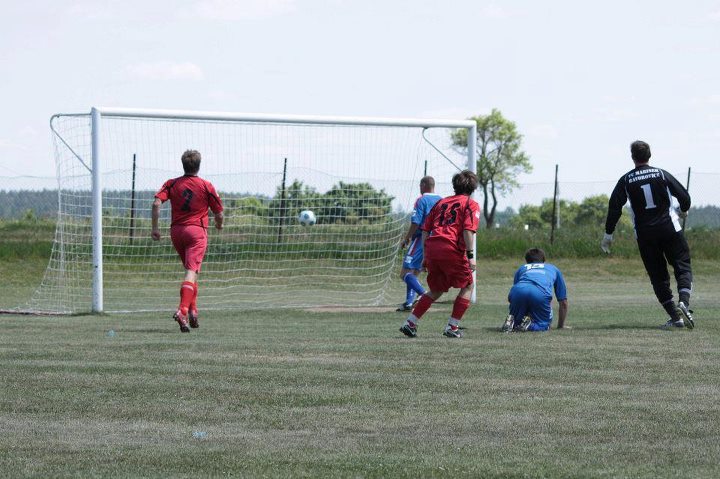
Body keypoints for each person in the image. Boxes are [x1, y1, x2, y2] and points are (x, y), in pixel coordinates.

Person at [601, 140, 694, 329]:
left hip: (645, 235)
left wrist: (608, 234)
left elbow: (614, 207)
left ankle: (675, 318)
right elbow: (684, 197)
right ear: (649, 155)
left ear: (632, 157)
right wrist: (683, 210)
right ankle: (684, 301)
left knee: (658, 277)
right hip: (670, 229)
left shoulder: (626, 180)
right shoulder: (661, 174)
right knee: (682, 266)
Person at [399, 169, 480, 338]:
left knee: (436, 289)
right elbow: (467, 231)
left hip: (433, 247)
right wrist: (471, 257)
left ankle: (410, 323)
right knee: (468, 285)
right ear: (473, 188)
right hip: (450, 248)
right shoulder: (470, 204)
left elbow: (425, 231)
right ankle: (452, 327)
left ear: (454, 185)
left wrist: (427, 256)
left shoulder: (441, 203)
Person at [152, 150, 224, 332]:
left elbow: (156, 203)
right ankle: (183, 311)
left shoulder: (172, 183)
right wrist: (219, 224)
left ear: (183, 164)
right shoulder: (206, 186)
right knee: (191, 272)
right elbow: (219, 213)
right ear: (199, 165)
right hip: (196, 232)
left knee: (191, 274)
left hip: (177, 232)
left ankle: (193, 312)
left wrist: (155, 228)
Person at [396, 176, 442, 311]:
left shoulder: (422, 200)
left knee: (404, 273)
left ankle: (423, 295)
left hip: (422, 238)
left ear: (423, 185)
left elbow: (416, 222)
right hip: (438, 240)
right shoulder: (442, 200)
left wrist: (407, 238)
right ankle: (409, 303)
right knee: (414, 272)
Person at [501, 248, 568, 332]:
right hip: (539, 293)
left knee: (517, 323)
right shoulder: (553, 268)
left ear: (527, 261)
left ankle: (511, 321)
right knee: (544, 325)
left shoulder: (522, 268)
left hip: (517, 291)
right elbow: (563, 302)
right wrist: (560, 326)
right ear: (544, 260)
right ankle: (529, 326)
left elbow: (517, 295)